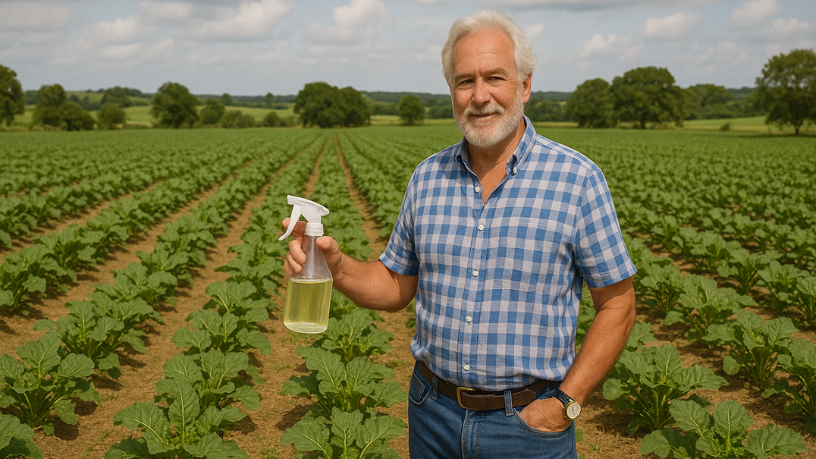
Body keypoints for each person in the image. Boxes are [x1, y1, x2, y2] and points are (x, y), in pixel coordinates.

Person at [283, 9, 636, 459]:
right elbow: (394, 285)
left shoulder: (577, 180)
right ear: (451, 90)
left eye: (495, 78)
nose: (480, 96)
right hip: (432, 414)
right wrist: (335, 265)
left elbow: (618, 304)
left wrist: (566, 403)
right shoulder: (427, 178)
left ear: (525, 85)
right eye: (465, 81)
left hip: (527, 425)